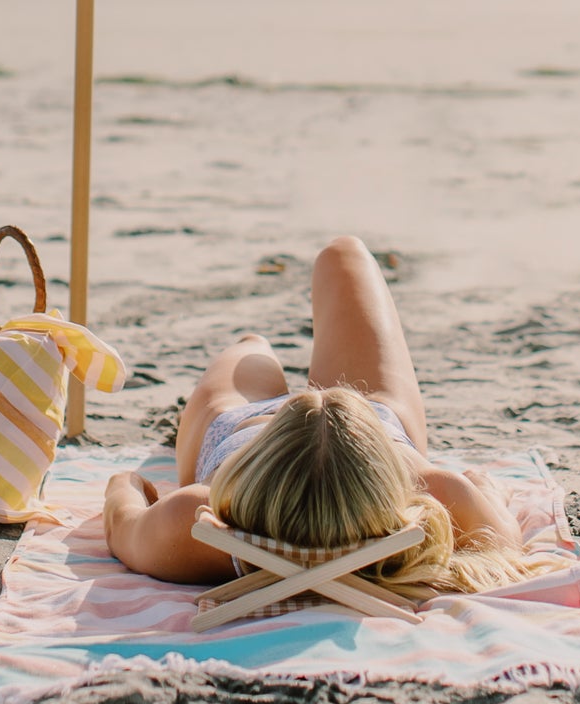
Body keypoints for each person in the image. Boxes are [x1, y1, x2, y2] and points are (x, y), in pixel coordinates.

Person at [103, 236, 546, 597]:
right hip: (361, 425)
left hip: (241, 427)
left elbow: (122, 504)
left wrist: (134, 486)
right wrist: (482, 490)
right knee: (345, 254)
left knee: (251, 349)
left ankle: (256, 343)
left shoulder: (199, 523)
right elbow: (503, 535)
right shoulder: (435, 496)